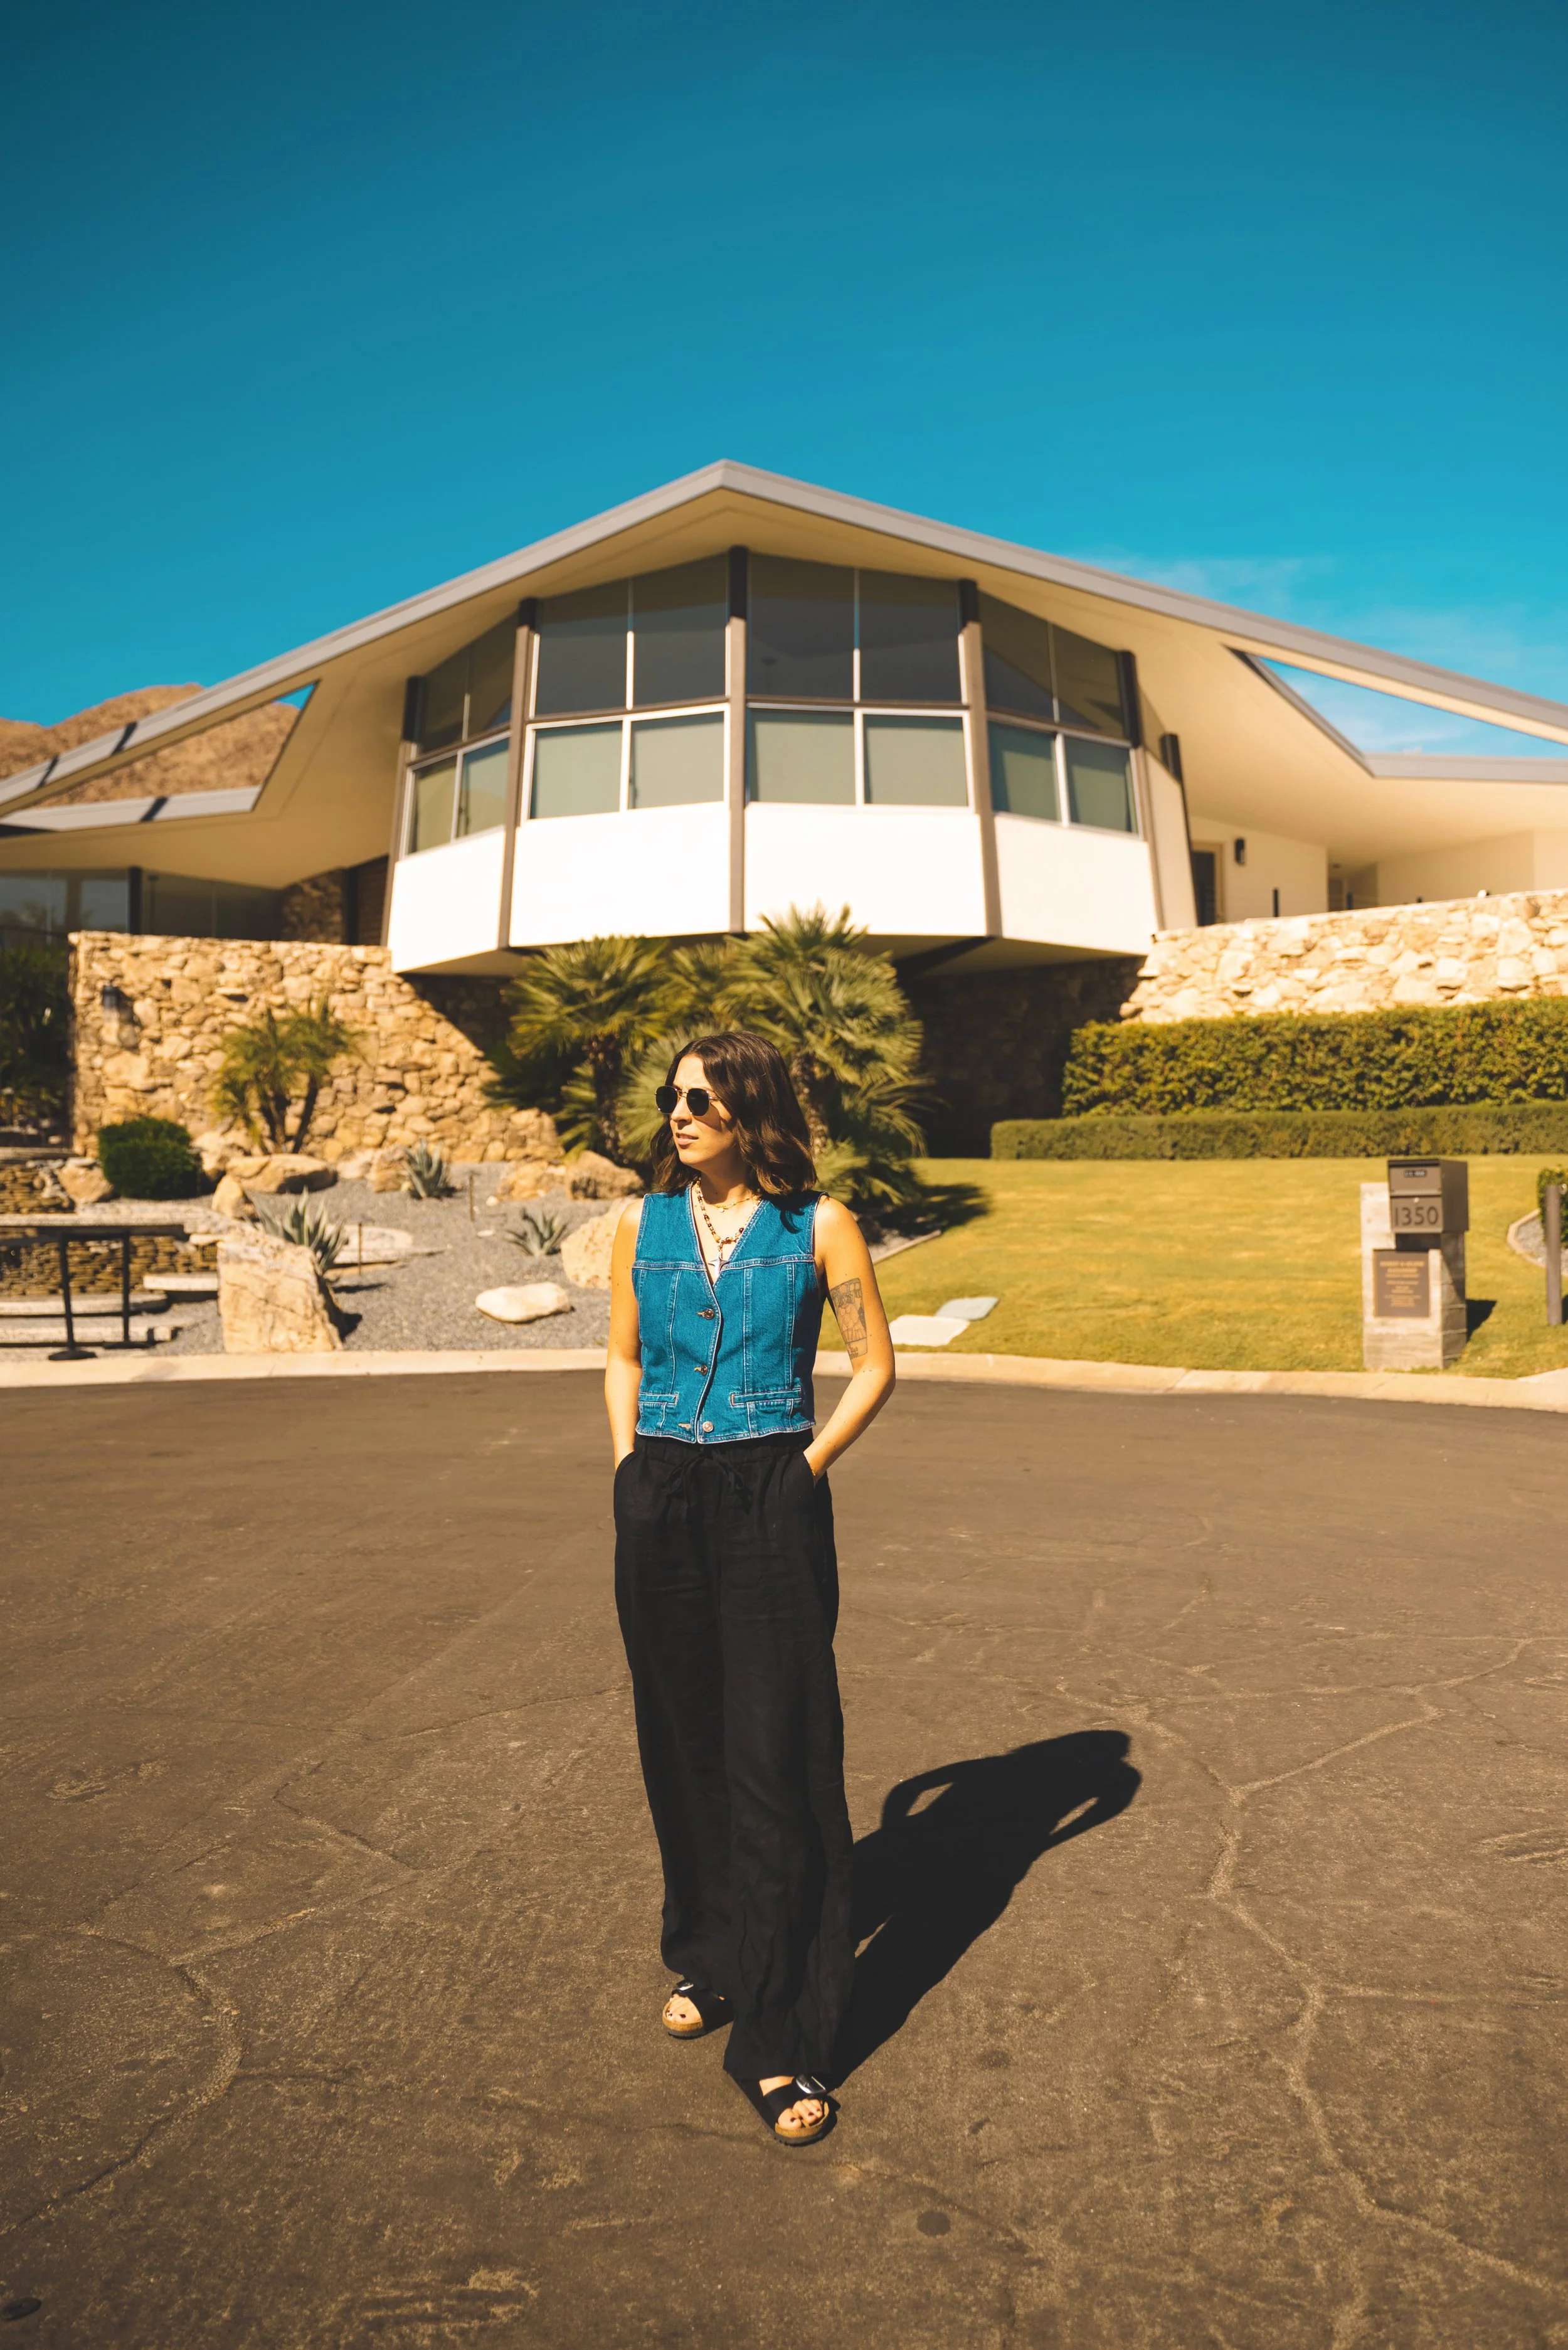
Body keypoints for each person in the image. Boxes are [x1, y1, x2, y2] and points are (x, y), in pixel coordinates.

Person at [606, 1029, 896, 2145]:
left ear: (751, 1110)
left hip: (773, 1490)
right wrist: (630, 1464)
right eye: (674, 1097)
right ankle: (715, 1955)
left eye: (704, 1100)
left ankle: (784, 2035)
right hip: (662, 1493)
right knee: (683, 1746)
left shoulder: (817, 1225)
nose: (680, 1116)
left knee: (778, 1756)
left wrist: (805, 1468)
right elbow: (625, 1354)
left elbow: (874, 1363)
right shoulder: (643, 1221)